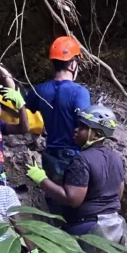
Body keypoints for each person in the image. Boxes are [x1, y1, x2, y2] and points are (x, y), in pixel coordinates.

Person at [25, 105, 126, 253]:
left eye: (82, 127)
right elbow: (119, 193)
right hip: (116, 229)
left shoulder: (82, 161)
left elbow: (73, 199)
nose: (76, 131)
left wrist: (42, 180)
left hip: (86, 233)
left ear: (96, 133)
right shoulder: (117, 159)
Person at [22, 37, 91, 199]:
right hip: (74, 157)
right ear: (72, 64)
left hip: (50, 156)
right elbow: (87, 126)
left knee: (55, 202)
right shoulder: (80, 92)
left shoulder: (39, 90)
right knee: (76, 202)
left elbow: (22, 107)